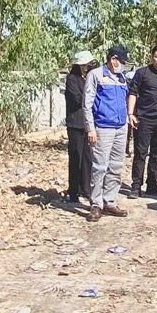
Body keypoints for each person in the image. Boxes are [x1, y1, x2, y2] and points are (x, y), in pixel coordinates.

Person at [83, 45, 133, 222]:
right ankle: (96, 204)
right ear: (113, 60)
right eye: (122, 62)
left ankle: (109, 201)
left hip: (121, 127)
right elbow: (87, 104)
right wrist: (90, 128)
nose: (124, 66)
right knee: (99, 167)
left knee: (116, 166)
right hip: (102, 128)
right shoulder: (96, 75)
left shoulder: (122, 78)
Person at [128, 45, 157, 197]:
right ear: (152, 57)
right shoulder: (142, 73)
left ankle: (152, 184)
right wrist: (131, 113)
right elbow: (133, 93)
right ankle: (136, 186)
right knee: (140, 153)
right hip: (144, 119)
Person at [62, 50, 93, 205]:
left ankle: (86, 189)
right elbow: (77, 98)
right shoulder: (72, 79)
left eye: (88, 64)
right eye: (84, 64)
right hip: (75, 123)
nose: (87, 66)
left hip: (88, 123)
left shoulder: (90, 77)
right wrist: (90, 98)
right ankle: (73, 190)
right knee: (76, 157)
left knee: (87, 157)